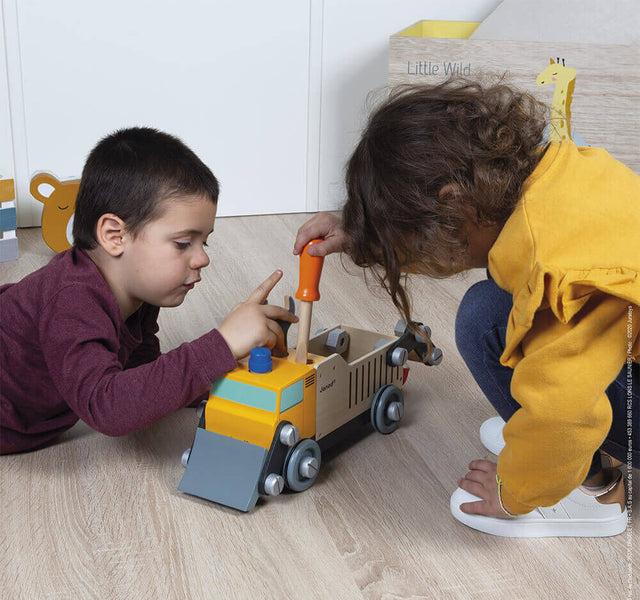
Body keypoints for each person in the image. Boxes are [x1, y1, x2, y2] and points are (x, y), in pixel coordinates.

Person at [294, 79, 640, 537]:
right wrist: (368, 230)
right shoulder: (564, 175)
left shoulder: (556, 271)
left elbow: (565, 414)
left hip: (575, 409)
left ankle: (589, 489)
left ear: (454, 203)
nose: (417, 260)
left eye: (411, 243)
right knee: (496, 306)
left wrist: (516, 488)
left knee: (483, 320)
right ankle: (553, 452)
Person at [1, 127, 297, 454]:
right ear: (115, 236)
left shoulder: (136, 290)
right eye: (184, 243)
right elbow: (108, 407)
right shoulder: (72, 302)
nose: (202, 258)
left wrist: (225, 370)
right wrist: (221, 345)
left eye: (204, 241)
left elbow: (142, 373)